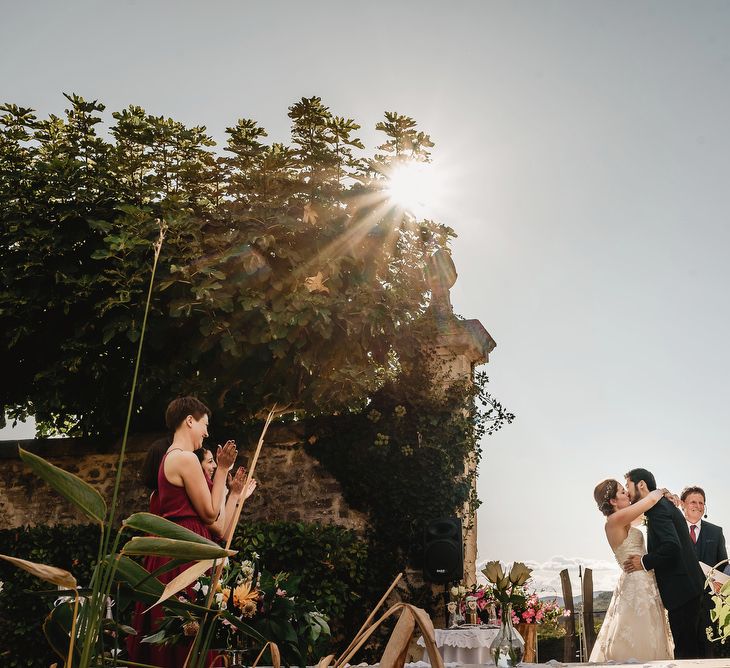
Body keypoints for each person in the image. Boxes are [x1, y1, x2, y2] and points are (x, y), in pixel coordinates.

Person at [127, 396, 248, 667]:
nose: (206, 432)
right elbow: (209, 513)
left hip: (182, 544)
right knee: (190, 630)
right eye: (204, 424)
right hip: (186, 549)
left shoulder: (171, 458)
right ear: (189, 421)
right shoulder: (184, 459)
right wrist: (224, 470)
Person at [622, 468, 706, 659]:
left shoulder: (658, 510)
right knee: (691, 648)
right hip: (688, 588)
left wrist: (643, 561)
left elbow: (672, 547)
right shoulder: (660, 505)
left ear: (641, 484)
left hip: (682, 591)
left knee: (686, 652)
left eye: (628, 486)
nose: (627, 491)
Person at [589, 479, 674, 662]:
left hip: (646, 581)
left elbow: (648, 510)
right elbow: (650, 501)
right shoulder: (613, 520)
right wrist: (659, 491)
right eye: (622, 492)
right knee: (639, 632)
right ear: (612, 501)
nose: (627, 493)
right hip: (636, 584)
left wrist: (666, 498)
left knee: (652, 632)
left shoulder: (625, 518)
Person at [681, 485, 728, 655]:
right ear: (682, 504)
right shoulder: (674, 531)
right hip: (682, 602)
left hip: (709, 602)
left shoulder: (716, 532)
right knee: (683, 650)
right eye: (693, 501)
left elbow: (723, 564)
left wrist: (721, 584)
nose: (698, 506)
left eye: (702, 502)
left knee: (709, 650)